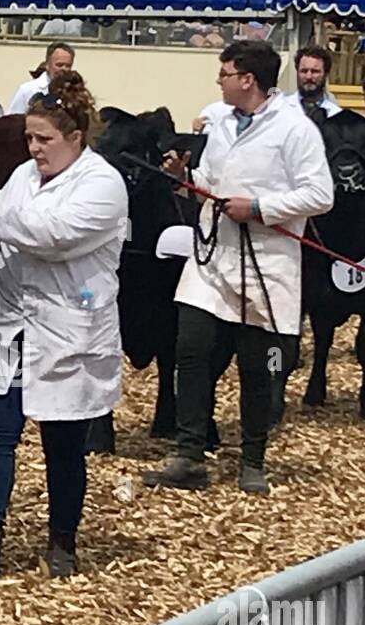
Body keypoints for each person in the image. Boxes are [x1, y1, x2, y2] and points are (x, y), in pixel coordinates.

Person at [0, 71, 128, 580]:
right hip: (9, 325)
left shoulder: (104, 184)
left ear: (76, 138)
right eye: (29, 138)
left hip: (69, 327)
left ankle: (62, 543)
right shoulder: (23, 177)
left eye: (44, 139)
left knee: (62, 443)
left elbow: (53, 235)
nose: (34, 148)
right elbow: (1, 227)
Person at [143, 41, 333, 495]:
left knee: (255, 365)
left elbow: (320, 194)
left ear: (248, 79)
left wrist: (261, 207)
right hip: (212, 258)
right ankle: (189, 454)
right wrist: (188, 179)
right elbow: (211, 181)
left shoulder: (295, 130)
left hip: (264, 261)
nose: (219, 79)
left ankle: (252, 459)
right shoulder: (219, 121)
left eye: (225, 72)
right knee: (190, 349)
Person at [7, 41, 75, 114]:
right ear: (47, 65)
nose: (64, 69)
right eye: (59, 65)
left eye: (68, 66)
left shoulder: (74, 92)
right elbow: (12, 120)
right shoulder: (27, 90)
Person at [289, 45, 342, 119]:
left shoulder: (335, 115)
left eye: (315, 71)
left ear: (326, 74)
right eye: (304, 71)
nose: (308, 77)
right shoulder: (282, 109)